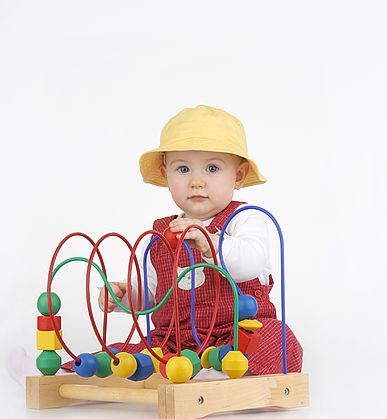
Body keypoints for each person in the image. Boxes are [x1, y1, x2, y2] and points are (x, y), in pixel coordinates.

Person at [8, 105, 302, 384]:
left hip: (235, 335)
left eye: (212, 169)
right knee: (123, 354)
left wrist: (210, 242)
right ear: (165, 174)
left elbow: (249, 262)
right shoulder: (161, 234)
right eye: (183, 169)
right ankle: (54, 376)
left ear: (237, 175)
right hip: (173, 343)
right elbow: (154, 294)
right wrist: (126, 297)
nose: (197, 181)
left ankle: (220, 376)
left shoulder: (245, 219)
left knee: (279, 340)